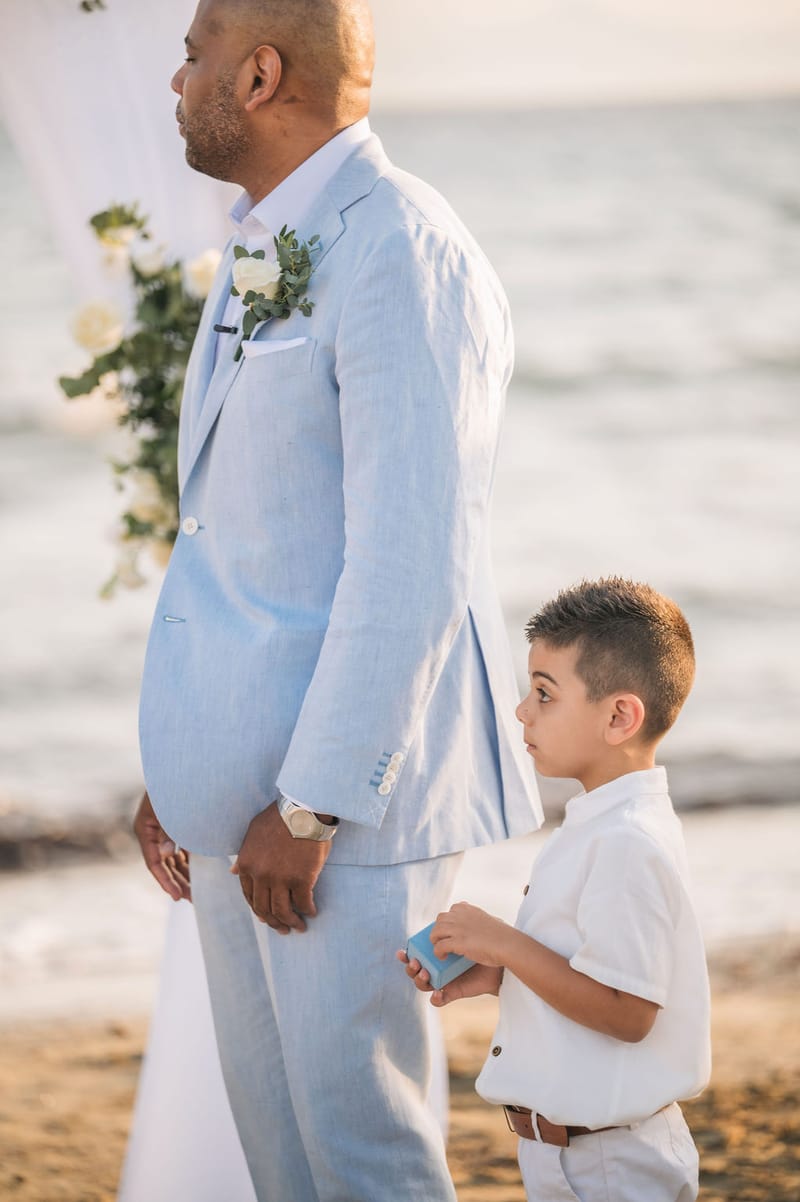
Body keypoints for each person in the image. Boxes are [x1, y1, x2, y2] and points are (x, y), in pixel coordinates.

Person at [133, 1, 542, 1199]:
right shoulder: (266, 238)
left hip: (334, 816)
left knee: (362, 1156)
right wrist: (185, 764)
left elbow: (411, 560)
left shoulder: (401, 251)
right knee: (284, 1162)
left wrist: (307, 806)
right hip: (235, 807)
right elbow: (238, 535)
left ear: (260, 75)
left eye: (198, 49)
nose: (178, 72)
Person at [400, 577, 711, 1202]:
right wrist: (500, 975)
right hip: (570, 1153)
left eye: (544, 693)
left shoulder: (627, 842)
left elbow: (628, 1014)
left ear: (620, 716)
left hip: (611, 1161)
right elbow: (591, 973)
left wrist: (508, 945)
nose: (521, 710)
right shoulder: (599, 822)